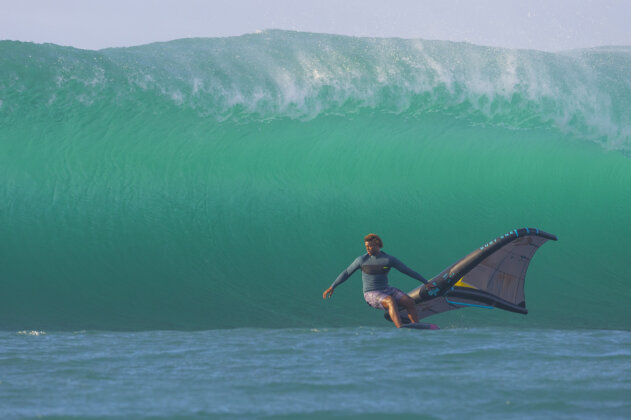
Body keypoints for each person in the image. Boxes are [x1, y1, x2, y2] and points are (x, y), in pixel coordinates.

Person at [322, 233, 434, 328]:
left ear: (377, 244)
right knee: (390, 301)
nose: (367, 249)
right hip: (371, 293)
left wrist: (426, 282)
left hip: (386, 289)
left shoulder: (388, 259)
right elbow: (347, 273)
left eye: (370, 246)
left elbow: (407, 270)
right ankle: (401, 328)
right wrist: (332, 286)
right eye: (366, 246)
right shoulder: (361, 260)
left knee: (409, 301)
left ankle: (416, 326)